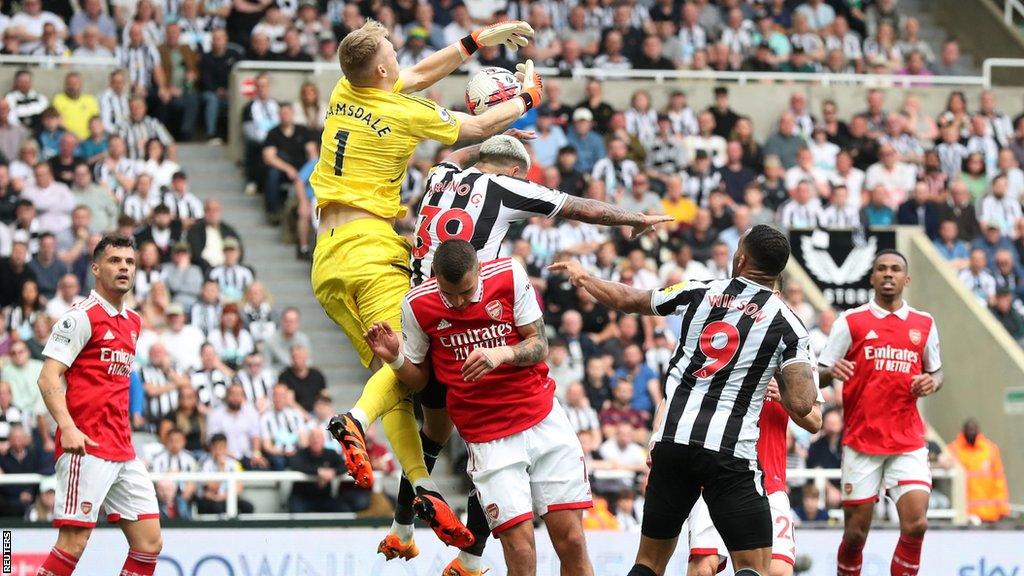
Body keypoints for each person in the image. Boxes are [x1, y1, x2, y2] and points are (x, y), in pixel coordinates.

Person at [378, 134, 669, 570]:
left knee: (433, 431)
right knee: (515, 538)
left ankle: (410, 529)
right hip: (453, 307)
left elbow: (457, 153)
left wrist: (491, 130)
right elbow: (579, 207)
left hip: (433, 302)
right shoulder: (506, 199)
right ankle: (469, 554)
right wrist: (634, 218)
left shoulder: (441, 173)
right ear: (514, 172)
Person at [311, 21, 540, 548]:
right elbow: (479, 128)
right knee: (403, 366)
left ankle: (420, 487)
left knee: (394, 369)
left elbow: (416, 72)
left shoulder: (346, 89)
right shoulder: (401, 110)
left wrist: (476, 41)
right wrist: (528, 95)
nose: (401, 58)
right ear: (383, 68)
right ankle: (355, 419)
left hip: (325, 257)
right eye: (393, 51)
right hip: (368, 249)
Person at [550, 224, 817, 576]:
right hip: (730, 454)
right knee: (753, 567)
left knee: (648, 563)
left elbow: (627, 299)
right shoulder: (790, 324)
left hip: (674, 443)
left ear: (741, 259)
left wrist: (584, 277)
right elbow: (801, 403)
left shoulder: (698, 291)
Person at [365, 241, 594, 576]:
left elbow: (540, 344)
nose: (458, 302)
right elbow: (419, 381)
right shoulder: (418, 303)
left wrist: (502, 353)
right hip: (487, 438)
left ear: (479, 270)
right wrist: (395, 358)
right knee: (519, 547)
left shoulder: (510, 275)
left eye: (466, 291)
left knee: (572, 539)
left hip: (542, 419)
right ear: (434, 277)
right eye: (449, 293)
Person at [34, 234, 162, 576]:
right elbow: (48, 378)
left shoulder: (134, 322)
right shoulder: (80, 317)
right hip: (85, 446)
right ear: (95, 268)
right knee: (73, 544)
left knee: (149, 544)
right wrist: (68, 427)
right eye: (114, 261)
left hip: (122, 448)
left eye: (130, 262)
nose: (124, 267)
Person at [818, 250, 943, 576]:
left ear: (906, 278)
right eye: (882, 269)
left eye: (896, 269)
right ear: (872, 277)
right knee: (856, 534)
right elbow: (816, 373)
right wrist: (832, 370)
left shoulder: (924, 323)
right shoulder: (851, 320)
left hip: (909, 440)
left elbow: (938, 372)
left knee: (916, 524)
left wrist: (932, 381)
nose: (889, 274)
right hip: (862, 440)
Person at [689, 377, 823, 576]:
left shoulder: (796, 353)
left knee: (778, 571)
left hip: (770, 481)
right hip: (715, 475)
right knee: (703, 568)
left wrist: (786, 397)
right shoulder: (715, 347)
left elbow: (816, 421)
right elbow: (673, 396)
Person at [947, 418, 1010, 523]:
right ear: (963, 430)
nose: (971, 432)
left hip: (990, 515)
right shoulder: (953, 450)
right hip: (965, 515)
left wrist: (1003, 509)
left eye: (973, 429)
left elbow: (999, 481)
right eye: (969, 429)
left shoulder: (990, 449)